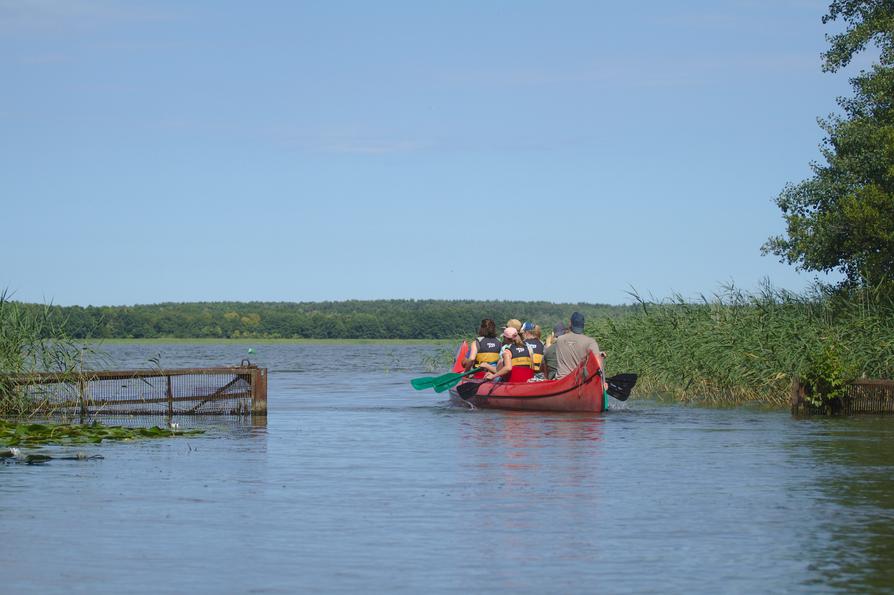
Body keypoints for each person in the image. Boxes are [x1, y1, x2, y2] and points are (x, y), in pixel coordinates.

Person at [554, 312, 602, 379]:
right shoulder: (590, 342)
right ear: (583, 325)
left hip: (561, 381)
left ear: (570, 323)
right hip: (578, 383)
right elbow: (598, 363)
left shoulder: (559, 340)